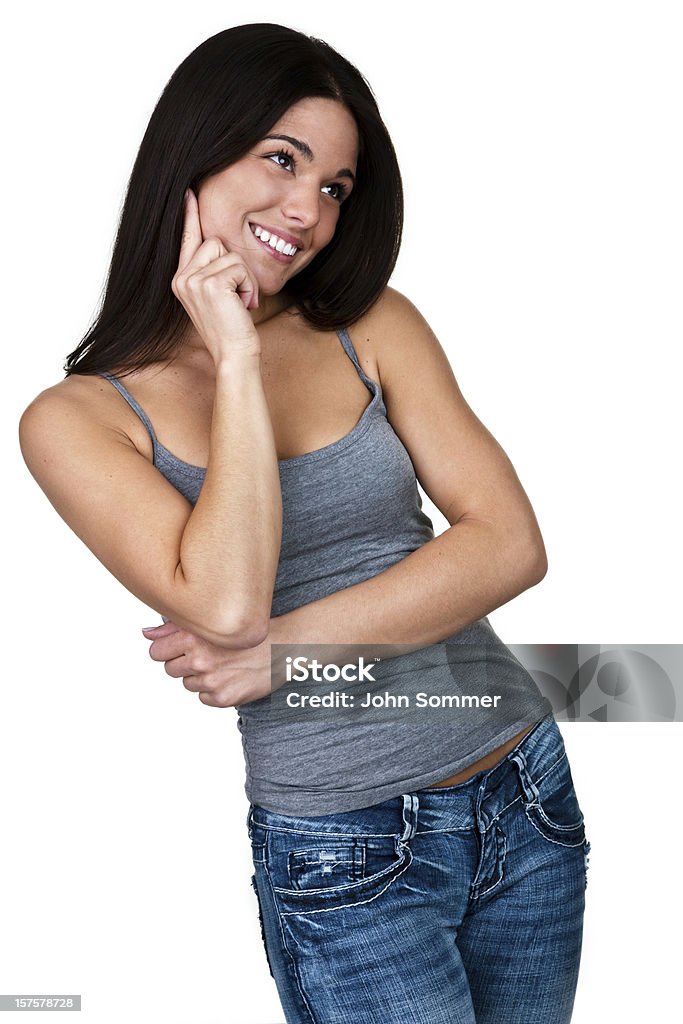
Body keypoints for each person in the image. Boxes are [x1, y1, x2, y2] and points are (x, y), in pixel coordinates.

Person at [19, 22, 590, 1024]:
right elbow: (227, 601)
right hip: (347, 846)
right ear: (190, 156)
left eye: (334, 184)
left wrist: (284, 653)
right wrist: (234, 356)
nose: (309, 209)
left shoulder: (370, 325)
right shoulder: (78, 420)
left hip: (521, 788)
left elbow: (507, 543)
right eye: (280, 160)